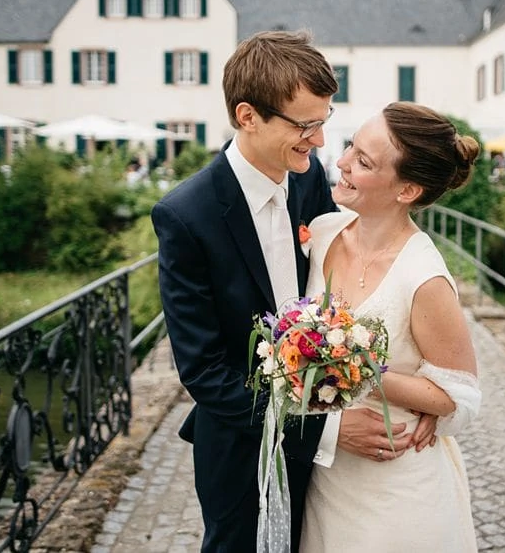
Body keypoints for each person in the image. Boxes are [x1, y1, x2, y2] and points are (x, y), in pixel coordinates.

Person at [151, 31, 432, 552]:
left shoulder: (308, 180)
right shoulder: (185, 216)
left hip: (331, 459)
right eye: (305, 125)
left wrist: (432, 393)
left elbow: (353, 278)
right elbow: (204, 370)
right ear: (247, 115)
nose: (320, 141)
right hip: (242, 449)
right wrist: (325, 432)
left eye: (323, 122)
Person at [301, 102, 483, 552]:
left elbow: (458, 396)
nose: (341, 162)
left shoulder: (424, 278)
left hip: (398, 489)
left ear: (406, 190)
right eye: (350, 148)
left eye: (363, 162)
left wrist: (356, 367)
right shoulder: (324, 232)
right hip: (327, 481)